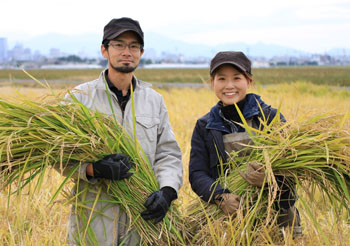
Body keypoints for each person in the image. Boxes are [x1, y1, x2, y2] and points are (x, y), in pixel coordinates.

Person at [61, 17, 183, 245]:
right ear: (104, 50)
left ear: (141, 52)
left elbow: (168, 154)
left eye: (133, 46)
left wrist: (167, 191)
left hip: (141, 219)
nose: (127, 51)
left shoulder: (154, 101)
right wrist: (93, 168)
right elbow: (57, 156)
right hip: (93, 221)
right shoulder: (79, 98)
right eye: (119, 44)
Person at [188, 51, 301, 238]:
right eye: (222, 78)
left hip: (275, 220)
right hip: (227, 221)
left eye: (237, 78)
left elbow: (294, 171)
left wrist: (269, 179)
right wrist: (221, 197)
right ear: (212, 82)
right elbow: (197, 173)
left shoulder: (270, 119)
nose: (229, 85)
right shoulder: (205, 126)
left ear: (249, 81)